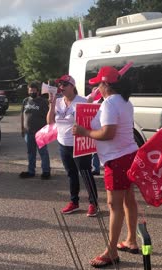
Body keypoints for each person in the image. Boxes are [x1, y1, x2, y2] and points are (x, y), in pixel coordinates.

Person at [73, 66, 139, 268]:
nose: (97, 88)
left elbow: (108, 133)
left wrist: (84, 132)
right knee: (129, 198)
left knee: (114, 205)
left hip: (116, 158)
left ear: (106, 84)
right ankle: (131, 240)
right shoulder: (124, 101)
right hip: (128, 154)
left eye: (99, 84)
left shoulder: (110, 103)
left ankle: (111, 251)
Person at [47, 74, 98, 217]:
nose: (61, 87)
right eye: (59, 85)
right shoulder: (57, 102)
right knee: (71, 174)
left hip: (79, 144)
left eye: (64, 84)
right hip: (63, 143)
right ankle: (74, 202)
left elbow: (91, 121)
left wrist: (90, 103)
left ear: (72, 86)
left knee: (86, 173)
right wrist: (51, 105)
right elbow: (50, 122)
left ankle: (93, 203)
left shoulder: (82, 101)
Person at [19, 82, 51, 179]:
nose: (32, 92)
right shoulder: (25, 101)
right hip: (28, 132)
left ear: (38, 91)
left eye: (33, 90)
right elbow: (22, 116)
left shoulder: (43, 102)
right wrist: (22, 128)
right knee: (30, 152)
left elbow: (49, 116)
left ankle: (46, 171)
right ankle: (31, 171)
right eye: (30, 90)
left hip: (41, 132)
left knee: (43, 152)